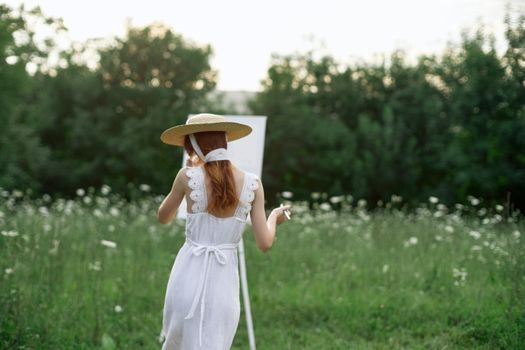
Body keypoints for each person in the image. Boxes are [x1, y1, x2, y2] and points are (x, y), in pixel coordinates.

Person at [156, 113, 292, 349]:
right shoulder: (253, 183)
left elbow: (163, 217)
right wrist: (274, 217)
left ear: (193, 146)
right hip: (224, 282)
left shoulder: (185, 177)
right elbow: (265, 243)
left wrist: (186, 177)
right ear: (225, 142)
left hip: (187, 275)